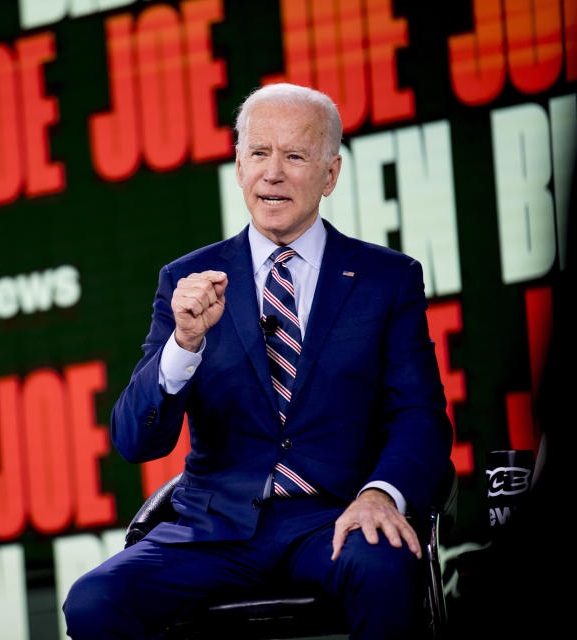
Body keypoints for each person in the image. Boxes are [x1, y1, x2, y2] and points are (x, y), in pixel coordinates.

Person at [62, 83, 453, 639]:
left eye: (294, 156)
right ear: (239, 164)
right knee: (94, 601)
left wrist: (378, 495)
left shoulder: (386, 280)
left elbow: (420, 416)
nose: (273, 173)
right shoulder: (186, 280)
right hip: (213, 528)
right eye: (259, 154)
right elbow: (134, 441)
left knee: (385, 566)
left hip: (335, 517)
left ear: (330, 174)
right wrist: (185, 343)